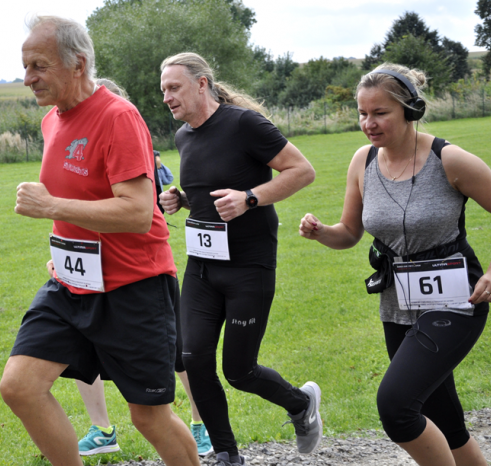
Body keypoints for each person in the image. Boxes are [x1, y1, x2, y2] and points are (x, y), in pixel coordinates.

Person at [0, 16, 200, 466]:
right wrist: (62, 249)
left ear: (78, 64)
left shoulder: (117, 117)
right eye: (25, 66)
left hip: (134, 286)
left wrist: (51, 207)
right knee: (20, 387)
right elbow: (78, 199)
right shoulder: (52, 121)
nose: (28, 77)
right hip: (72, 285)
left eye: (38, 66)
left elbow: (135, 211)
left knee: (149, 417)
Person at [298, 63, 491, 466]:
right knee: (445, 421)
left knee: (397, 406)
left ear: (410, 110)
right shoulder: (362, 161)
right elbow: (349, 233)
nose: (369, 123)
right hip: (397, 302)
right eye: (363, 113)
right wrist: (321, 232)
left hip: (457, 298)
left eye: (380, 113)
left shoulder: (450, 160)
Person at [158, 52, 321, 466]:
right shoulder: (183, 136)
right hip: (202, 264)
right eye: (163, 90)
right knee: (193, 360)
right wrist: (181, 198)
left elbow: (302, 170)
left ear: (201, 84)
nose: (167, 97)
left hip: (249, 265)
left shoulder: (244, 124)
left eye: (174, 87)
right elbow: (210, 188)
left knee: (239, 370)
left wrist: (251, 198)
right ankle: (227, 454)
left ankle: (301, 404)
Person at [62, 78, 212, 458]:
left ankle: (201, 423)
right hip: (88, 269)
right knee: (83, 354)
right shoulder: (70, 137)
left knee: (177, 356)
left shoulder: (128, 132)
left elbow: (141, 207)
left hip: (141, 272)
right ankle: (100, 429)